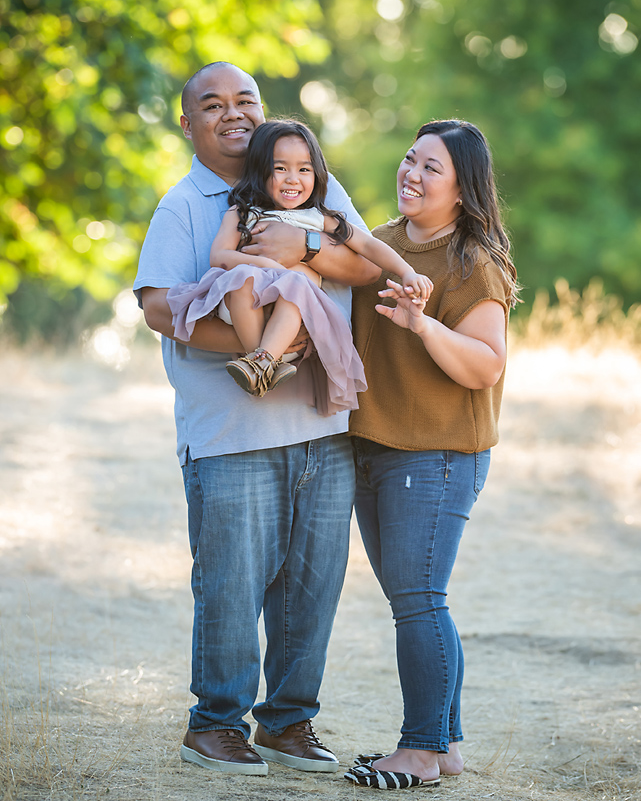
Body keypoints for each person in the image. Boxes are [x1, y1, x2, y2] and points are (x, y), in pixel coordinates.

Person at [134, 61, 380, 778]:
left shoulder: (310, 180)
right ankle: (213, 725)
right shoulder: (185, 204)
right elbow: (156, 307)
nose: (232, 113)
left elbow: (363, 266)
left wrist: (303, 246)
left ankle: (288, 723)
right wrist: (266, 349)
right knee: (232, 585)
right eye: (211, 105)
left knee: (312, 584)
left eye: (244, 99)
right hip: (231, 435)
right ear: (188, 125)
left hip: (322, 429)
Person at [345, 119, 519, 790]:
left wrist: (422, 324)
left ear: (461, 187)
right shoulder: (381, 245)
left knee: (418, 599)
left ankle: (418, 752)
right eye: (409, 160)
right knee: (413, 600)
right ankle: (443, 746)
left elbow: (483, 366)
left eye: (430, 168)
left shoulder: (472, 262)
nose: (411, 175)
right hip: (372, 447)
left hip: (438, 454)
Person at [167, 118, 431, 411]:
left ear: (317, 175)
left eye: (304, 169)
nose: (293, 179)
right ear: (259, 169)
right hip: (244, 309)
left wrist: (407, 271)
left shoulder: (320, 218)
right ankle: (263, 359)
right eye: (280, 168)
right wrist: (267, 265)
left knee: (299, 278)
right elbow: (219, 257)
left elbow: (368, 246)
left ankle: (264, 362)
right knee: (243, 276)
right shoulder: (242, 213)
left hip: (291, 316)